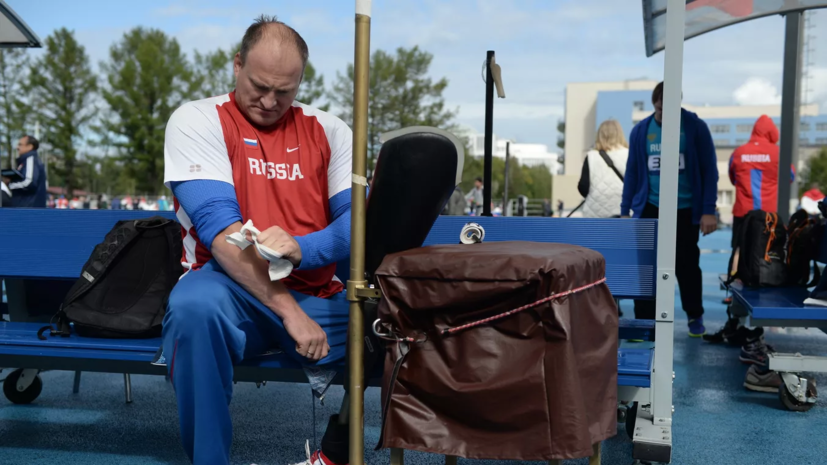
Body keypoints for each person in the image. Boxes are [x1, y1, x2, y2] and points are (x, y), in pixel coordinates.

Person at [162, 16, 357, 465]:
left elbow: (355, 227)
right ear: (237, 65)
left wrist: (305, 248)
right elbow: (223, 234)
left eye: (284, 91)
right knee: (192, 310)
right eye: (259, 86)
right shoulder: (197, 119)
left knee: (404, 331)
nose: (270, 101)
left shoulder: (330, 130)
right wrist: (288, 312)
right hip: (228, 289)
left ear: (301, 82)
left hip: (315, 292)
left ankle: (336, 452)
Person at [621, 81, 718, 337]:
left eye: (668, 108)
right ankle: (644, 322)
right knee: (645, 268)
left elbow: (710, 171)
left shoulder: (695, 127)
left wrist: (709, 210)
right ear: (655, 104)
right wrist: (625, 209)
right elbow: (632, 172)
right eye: (660, 108)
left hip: (685, 209)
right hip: (650, 208)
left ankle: (694, 316)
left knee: (687, 266)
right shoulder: (642, 130)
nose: (663, 113)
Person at [577, 119, 629, 218]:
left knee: (600, 234)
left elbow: (583, 187)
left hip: (595, 214)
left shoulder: (591, 156)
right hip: (624, 212)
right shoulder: (629, 154)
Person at [5, 135, 47, 208]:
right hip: (26, 207)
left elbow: (29, 182)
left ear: (30, 146)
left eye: (20, 144)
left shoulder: (30, 159)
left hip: (28, 208)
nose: (17, 147)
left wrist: (10, 184)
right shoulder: (26, 161)